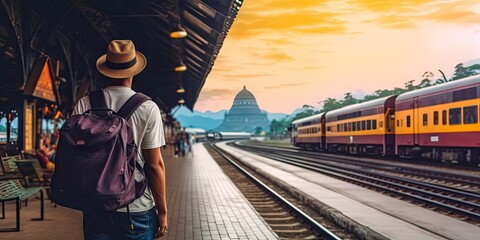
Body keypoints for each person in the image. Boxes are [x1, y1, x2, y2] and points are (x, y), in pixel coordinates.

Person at [72, 40, 168, 239]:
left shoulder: (85, 103)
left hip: (95, 204)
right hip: (136, 206)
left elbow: (74, 153)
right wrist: (163, 211)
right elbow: (155, 164)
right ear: (133, 72)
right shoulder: (147, 108)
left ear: (105, 70)